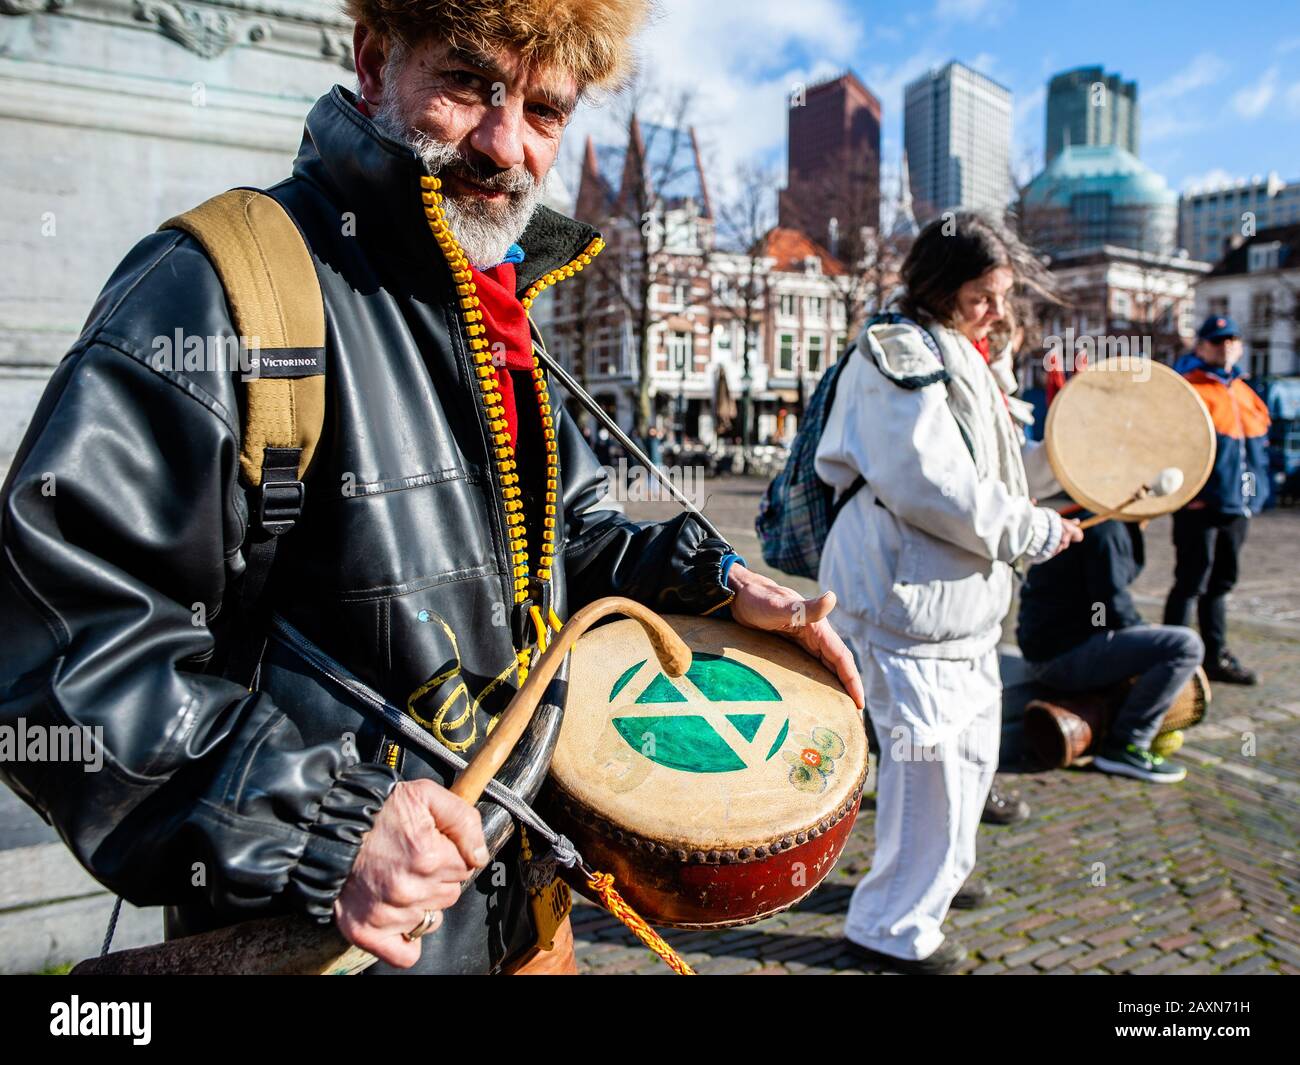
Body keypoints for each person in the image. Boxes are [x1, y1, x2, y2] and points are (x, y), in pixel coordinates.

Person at [0, 0, 863, 976]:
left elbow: (567, 535)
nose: (504, 145)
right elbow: (57, 650)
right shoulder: (216, 288)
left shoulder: (494, 302)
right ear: (375, 59)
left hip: (525, 917)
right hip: (338, 944)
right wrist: (326, 822)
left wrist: (708, 579)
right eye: (467, 84)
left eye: (544, 110)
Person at [816, 211, 1082, 975]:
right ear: (940, 286)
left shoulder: (961, 355)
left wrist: (1081, 460)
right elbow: (928, 483)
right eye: (983, 295)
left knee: (962, 768)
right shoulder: (896, 353)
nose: (997, 311)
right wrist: (1030, 531)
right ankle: (890, 925)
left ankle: (926, 891)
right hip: (906, 609)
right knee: (925, 775)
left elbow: (996, 475)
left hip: (955, 614)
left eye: (1001, 295)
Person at [1018, 516, 1202, 782]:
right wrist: (1136, 632)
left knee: (1157, 639)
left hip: (1052, 646)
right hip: (1059, 657)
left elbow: (1100, 610)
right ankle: (1127, 745)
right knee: (1185, 645)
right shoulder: (1106, 529)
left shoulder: (1096, 520)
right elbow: (1109, 606)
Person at [1163, 315, 1272, 685]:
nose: (1225, 346)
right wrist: (1186, 494)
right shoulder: (1188, 389)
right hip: (1202, 507)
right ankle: (1169, 657)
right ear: (1201, 347)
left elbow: (1259, 449)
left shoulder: (1246, 393)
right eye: (1217, 340)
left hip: (1238, 505)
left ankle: (1214, 655)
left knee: (1222, 582)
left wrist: (1259, 493)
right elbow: (1170, 446)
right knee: (1191, 580)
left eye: (1231, 340)